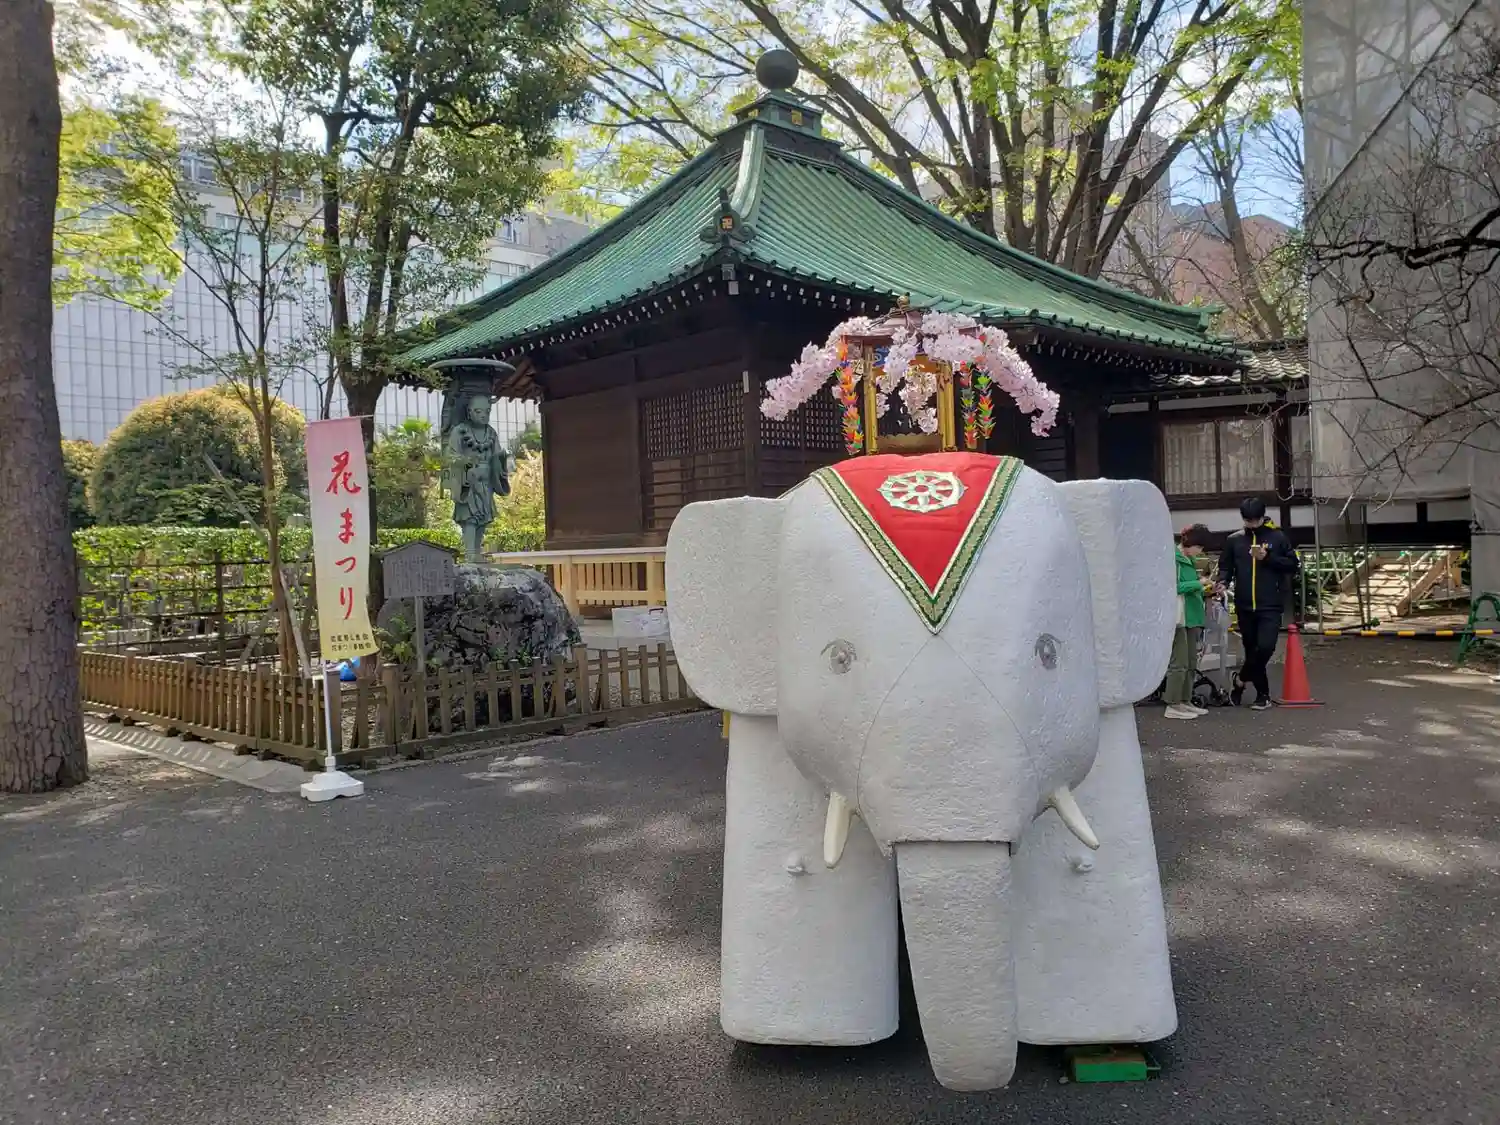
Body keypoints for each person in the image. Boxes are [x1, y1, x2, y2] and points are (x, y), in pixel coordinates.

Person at [1217, 497, 1300, 710]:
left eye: (1255, 520)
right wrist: (1223, 582)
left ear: (1263, 517)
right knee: (1251, 650)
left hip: (1270, 604)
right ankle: (1263, 695)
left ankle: (1240, 680)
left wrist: (1268, 557)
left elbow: (1293, 564)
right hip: (1244, 605)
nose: (1252, 524)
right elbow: (1226, 567)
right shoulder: (1234, 540)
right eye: (1248, 520)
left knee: (1265, 647)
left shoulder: (1277, 537)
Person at [1165, 524, 1214, 720]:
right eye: (1199, 547)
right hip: (1179, 616)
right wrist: (1198, 583)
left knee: (1191, 662)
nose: (1200, 551)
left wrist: (1205, 587)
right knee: (1179, 662)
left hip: (1190, 615)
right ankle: (1173, 703)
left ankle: (1184, 701)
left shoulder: (1188, 560)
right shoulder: (1173, 559)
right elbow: (1172, 587)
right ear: (1190, 543)